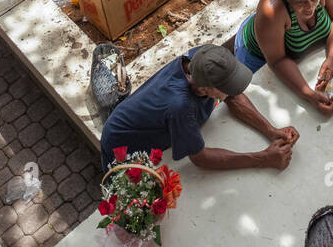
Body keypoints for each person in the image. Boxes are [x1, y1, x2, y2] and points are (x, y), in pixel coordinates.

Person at [100, 44, 298, 174]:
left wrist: (271, 130)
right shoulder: (180, 106)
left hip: (143, 115)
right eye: (224, 87)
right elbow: (200, 157)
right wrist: (262, 158)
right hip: (124, 143)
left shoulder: (203, 58)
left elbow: (232, 95)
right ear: (205, 89)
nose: (231, 90)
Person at [233, 0, 333, 116]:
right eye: (301, 2)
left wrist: (332, 58)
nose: (310, 8)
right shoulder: (271, 10)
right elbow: (277, 60)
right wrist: (308, 94)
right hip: (257, 54)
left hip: (275, 33)